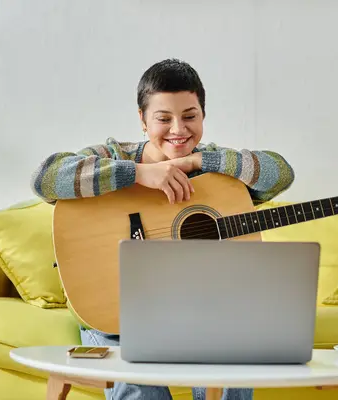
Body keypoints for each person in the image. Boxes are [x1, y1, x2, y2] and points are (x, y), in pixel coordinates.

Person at [30, 58, 295, 400]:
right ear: (142, 119)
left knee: (233, 369)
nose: (178, 129)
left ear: (202, 115)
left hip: (198, 313)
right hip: (118, 315)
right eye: (163, 118)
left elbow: (281, 173)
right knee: (137, 387)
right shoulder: (113, 154)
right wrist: (136, 173)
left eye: (189, 116)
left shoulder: (215, 168)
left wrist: (198, 161)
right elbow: (45, 178)